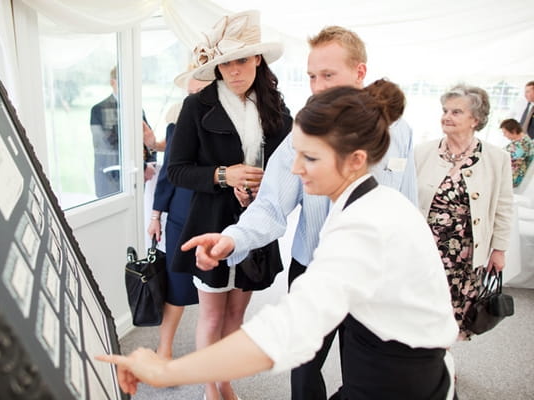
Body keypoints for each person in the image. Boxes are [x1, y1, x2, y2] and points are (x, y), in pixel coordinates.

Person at [97, 80, 459, 400]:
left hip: (397, 381)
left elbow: (288, 330)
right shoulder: (374, 202)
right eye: (295, 153)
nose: (295, 168)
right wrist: (232, 238)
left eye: (310, 157)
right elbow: (271, 205)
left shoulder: (365, 226)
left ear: (356, 160)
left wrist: (167, 371)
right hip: (406, 368)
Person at [173, 25, 418, 400]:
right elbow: (271, 205)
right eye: (312, 77)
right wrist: (231, 238)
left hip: (374, 276)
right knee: (303, 368)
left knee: (366, 377)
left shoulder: (400, 132)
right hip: (314, 271)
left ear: (360, 73)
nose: (318, 87)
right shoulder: (300, 135)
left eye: (328, 75)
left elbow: (407, 205)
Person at [166, 10, 292, 400]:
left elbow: (286, 166)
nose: (233, 71)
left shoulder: (276, 108)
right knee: (212, 314)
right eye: (225, 64)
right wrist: (225, 176)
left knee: (237, 315)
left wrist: (257, 188)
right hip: (211, 222)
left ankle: (225, 379)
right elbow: (177, 171)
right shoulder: (196, 107)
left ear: (257, 59)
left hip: (257, 223)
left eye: (241, 60)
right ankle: (211, 387)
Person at [415, 84, 513, 341]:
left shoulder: (496, 158)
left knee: (454, 308)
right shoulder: (422, 152)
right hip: (427, 249)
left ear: (476, 120)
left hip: (466, 254)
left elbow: (504, 207)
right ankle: (422, 359)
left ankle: (442, 360)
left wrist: (499, 250)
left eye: (456, 112)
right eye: (445, 110)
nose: (447, 116)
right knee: (422, 305)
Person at [146, 68, 210, 360]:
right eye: (190, 94)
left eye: (200, 93)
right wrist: (156, 215)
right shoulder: (176, 126)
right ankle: (164, 350)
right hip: (182, 217)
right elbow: (167, 175)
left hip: (215, 217)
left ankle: (211, 361)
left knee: (215, 294)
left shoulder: (229, 126)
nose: (193, 100)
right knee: (176, 285)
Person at [90, 66, 162, 197]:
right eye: (125, 81)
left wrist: (151, 163)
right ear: (113, 82)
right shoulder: (99, 110)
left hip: (136, 177)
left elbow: (147, 138)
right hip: (111, 179)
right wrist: (144, 166)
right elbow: (109, 147)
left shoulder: (137, 109)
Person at [500, 118, 534, 188]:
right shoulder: (521, 141)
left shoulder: (523, 144)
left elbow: (505, 158)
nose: (504, 135)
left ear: (513, 131)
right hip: (508, 175)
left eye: (505, 132)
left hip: (511, 178)